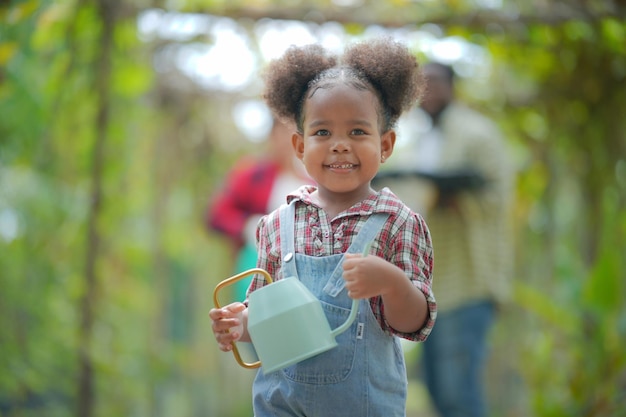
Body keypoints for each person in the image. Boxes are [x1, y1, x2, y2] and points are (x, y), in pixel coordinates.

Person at [209, 37, 437, 416]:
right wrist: (240, 324)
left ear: (386, 144)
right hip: (281, 404)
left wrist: (392, 282)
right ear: (299, 146)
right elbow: (267, 318)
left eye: (358, 132)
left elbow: (414, 323)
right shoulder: (277, 224)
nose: (340, 145)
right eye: (322, 133)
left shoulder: (399, 223)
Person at [374, 62, 514, 417]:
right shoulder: (424, 140)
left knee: (458, 391)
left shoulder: (476, 133)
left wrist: (441, 187)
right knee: (437, 388)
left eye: (436, 83)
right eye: (422, 85)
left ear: (453, 86)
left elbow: (490, 191)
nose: (429, 91)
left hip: (469, 280)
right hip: (433, 285)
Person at [206, 116, 312, 301]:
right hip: (255, 264)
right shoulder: (253, 175)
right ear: (272, 135)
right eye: (283, 132)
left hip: (302, 272)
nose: (288, 139)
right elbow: (217, 215)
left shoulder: (312, 182)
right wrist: (249, 227)